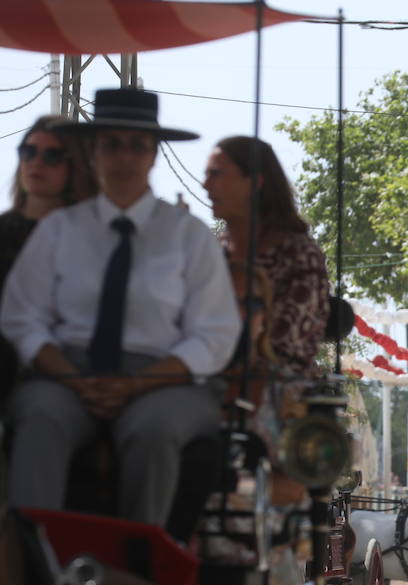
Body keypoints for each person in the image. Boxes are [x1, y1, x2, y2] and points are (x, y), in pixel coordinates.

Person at [1, 88, 240, 525]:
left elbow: (214, 333)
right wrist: (74, 377)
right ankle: (34, 556)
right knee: (39, 417)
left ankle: (140, 558)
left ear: (154, 155)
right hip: (68, 375)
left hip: (166, 381)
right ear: (93, 152)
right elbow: (22, 316)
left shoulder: (187, 234)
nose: (125, 157)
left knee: (153, 430)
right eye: (112, 144)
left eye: (138, 145)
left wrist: (138, 383)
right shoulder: (60, 230)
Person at [202, 135, 329, 378]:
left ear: (254, 182)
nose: (205, 185)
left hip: (277, 387)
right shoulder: (213, 252)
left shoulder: (298, 256)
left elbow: (283, 345)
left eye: (215, 174)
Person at [1, 115, 96, 294]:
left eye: (52, 156)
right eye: (29, 152)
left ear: (75, 165)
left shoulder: (93, 238)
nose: (36, 163)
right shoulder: (3, 232)